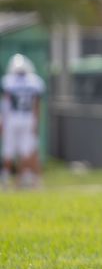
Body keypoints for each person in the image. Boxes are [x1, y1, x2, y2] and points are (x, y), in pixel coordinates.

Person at [1, 54, 45, 188]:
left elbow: (5, 104)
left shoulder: (8, 81)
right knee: (26, 151)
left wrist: (2, 121)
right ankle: (20, 180)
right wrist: (36, 123)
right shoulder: (35, 81)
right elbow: (36, 105)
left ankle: (5, 177)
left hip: (12, 119)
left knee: (9, 150)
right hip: (28, 119)